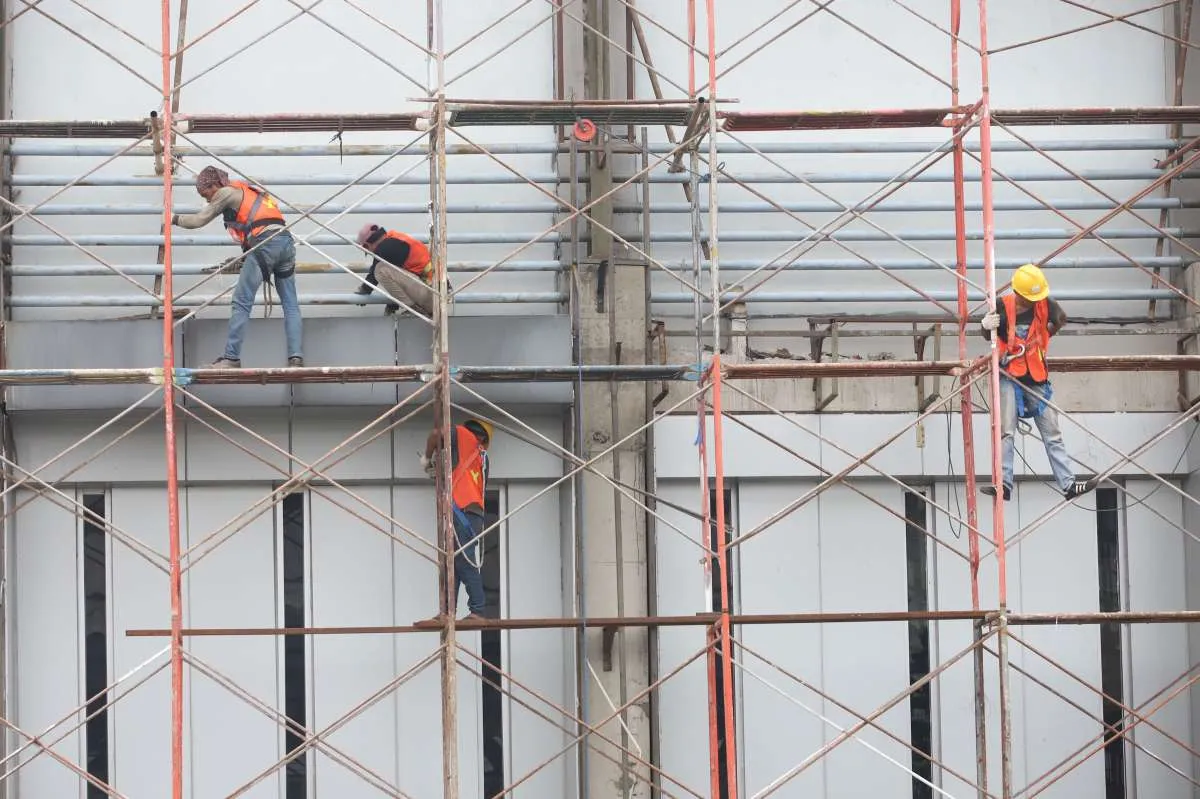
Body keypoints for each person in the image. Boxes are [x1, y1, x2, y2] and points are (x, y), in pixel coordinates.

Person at [979, 263, 1094, 502]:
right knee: (1005, 432)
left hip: (1036, 376)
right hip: (1009, 375)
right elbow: (987, 335)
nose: (1034, 301)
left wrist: (1045, 335)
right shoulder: (1003, 306)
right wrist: (984, 326)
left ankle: (1068, 485)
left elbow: (1060, 318)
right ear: (1019, 293)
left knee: (1052, 433)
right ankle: (1004, 485)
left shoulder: (1044, 303)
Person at [172, 166, 303, 368]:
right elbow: (254, 221)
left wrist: (173, 219)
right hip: (285, 241)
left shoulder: (225, 192)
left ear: (215, 185)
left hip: (265, 243)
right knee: (291, 304)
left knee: (241, 301)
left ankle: (231, 358)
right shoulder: (247, 191)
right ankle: (296, 358)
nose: (207, 200)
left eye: (205, 194)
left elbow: (199, 220)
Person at [420, 416, 493, 621]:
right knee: (453, 561)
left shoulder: (464, 436)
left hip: (462, 512)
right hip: (469, 513)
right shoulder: (482, 458)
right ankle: (447, 612)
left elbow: (436, 434)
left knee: (462, 559)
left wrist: (426, 458)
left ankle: (477, 609)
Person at [352, 223, 435, 316]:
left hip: (431, 296)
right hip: (433, 294)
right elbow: (401, 277)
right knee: (382, 269)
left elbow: (373, 274)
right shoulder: (394, 240)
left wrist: (364, 290)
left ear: (367, 246)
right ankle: (416, 308)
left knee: (380, 270)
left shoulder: (385, 248)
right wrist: (393, 303)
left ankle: (415, 310)